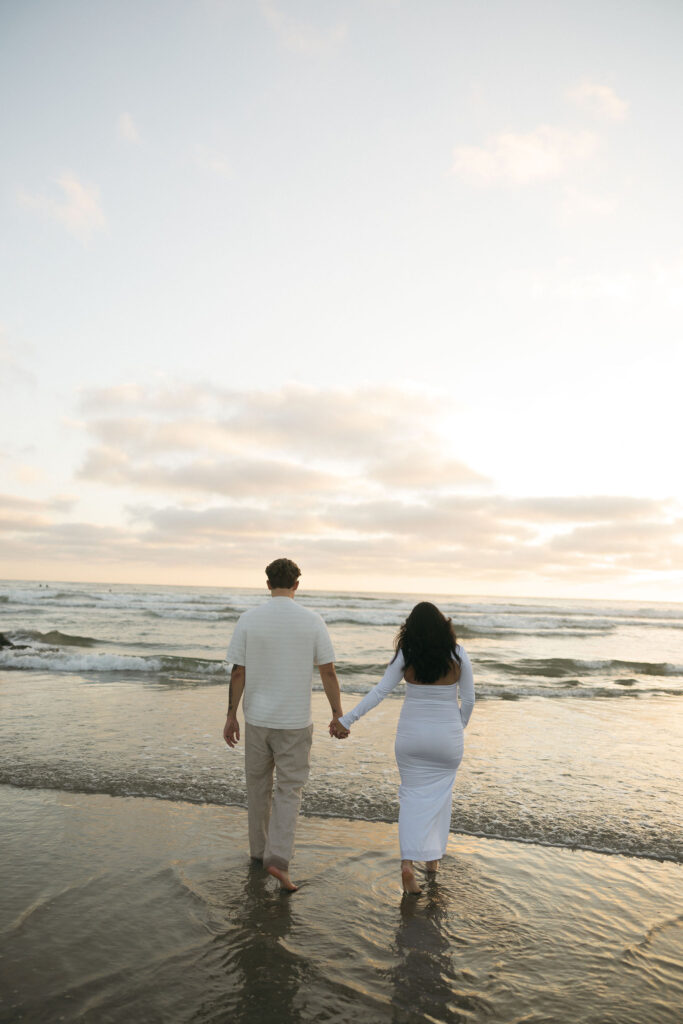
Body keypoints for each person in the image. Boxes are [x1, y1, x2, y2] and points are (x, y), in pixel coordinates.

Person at [331, 602, 474, 895]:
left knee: (411, 800)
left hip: (411, 739)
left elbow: (380, 691)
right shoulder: (457, 653)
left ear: (411, 628)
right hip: (446, 740)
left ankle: (408, 863)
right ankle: (432, 862)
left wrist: (347, 720)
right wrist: (456, 728)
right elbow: (469, 700)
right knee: (440, 798)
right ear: (443, 625)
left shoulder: (406, 654)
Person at [223, 558, 346, 892]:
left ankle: (257, 853)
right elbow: (328, 671)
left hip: (258, 721)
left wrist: (231, 715)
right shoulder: (312, 620)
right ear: (296, 585)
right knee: (289, 791)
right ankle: (277, 860)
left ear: (267, 584)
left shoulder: (249, 620)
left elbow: (238, 671)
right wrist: (337, 713)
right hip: (294, 722)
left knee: (257, 789)